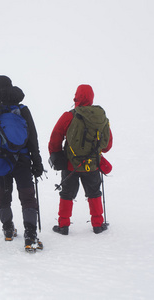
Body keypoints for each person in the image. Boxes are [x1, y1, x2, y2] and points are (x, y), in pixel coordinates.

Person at [0, 75, 44, 252]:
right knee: (27, 196)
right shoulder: (22, 110)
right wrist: (37, 162)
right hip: (22, 160)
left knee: (2, 196)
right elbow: (33, 138)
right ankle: (30, 234)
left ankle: (8, 229)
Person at [48, 84, 113, 235]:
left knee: (67, 194)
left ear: (77, 97)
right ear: (91, 97)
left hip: (71, 164)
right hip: (92, 165)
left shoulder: (69, 116)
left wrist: (56, 155)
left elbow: (55, 137)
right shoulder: (101, 118)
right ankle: (98, 224)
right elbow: (107, 146)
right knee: (94, 193)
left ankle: (63, 226)